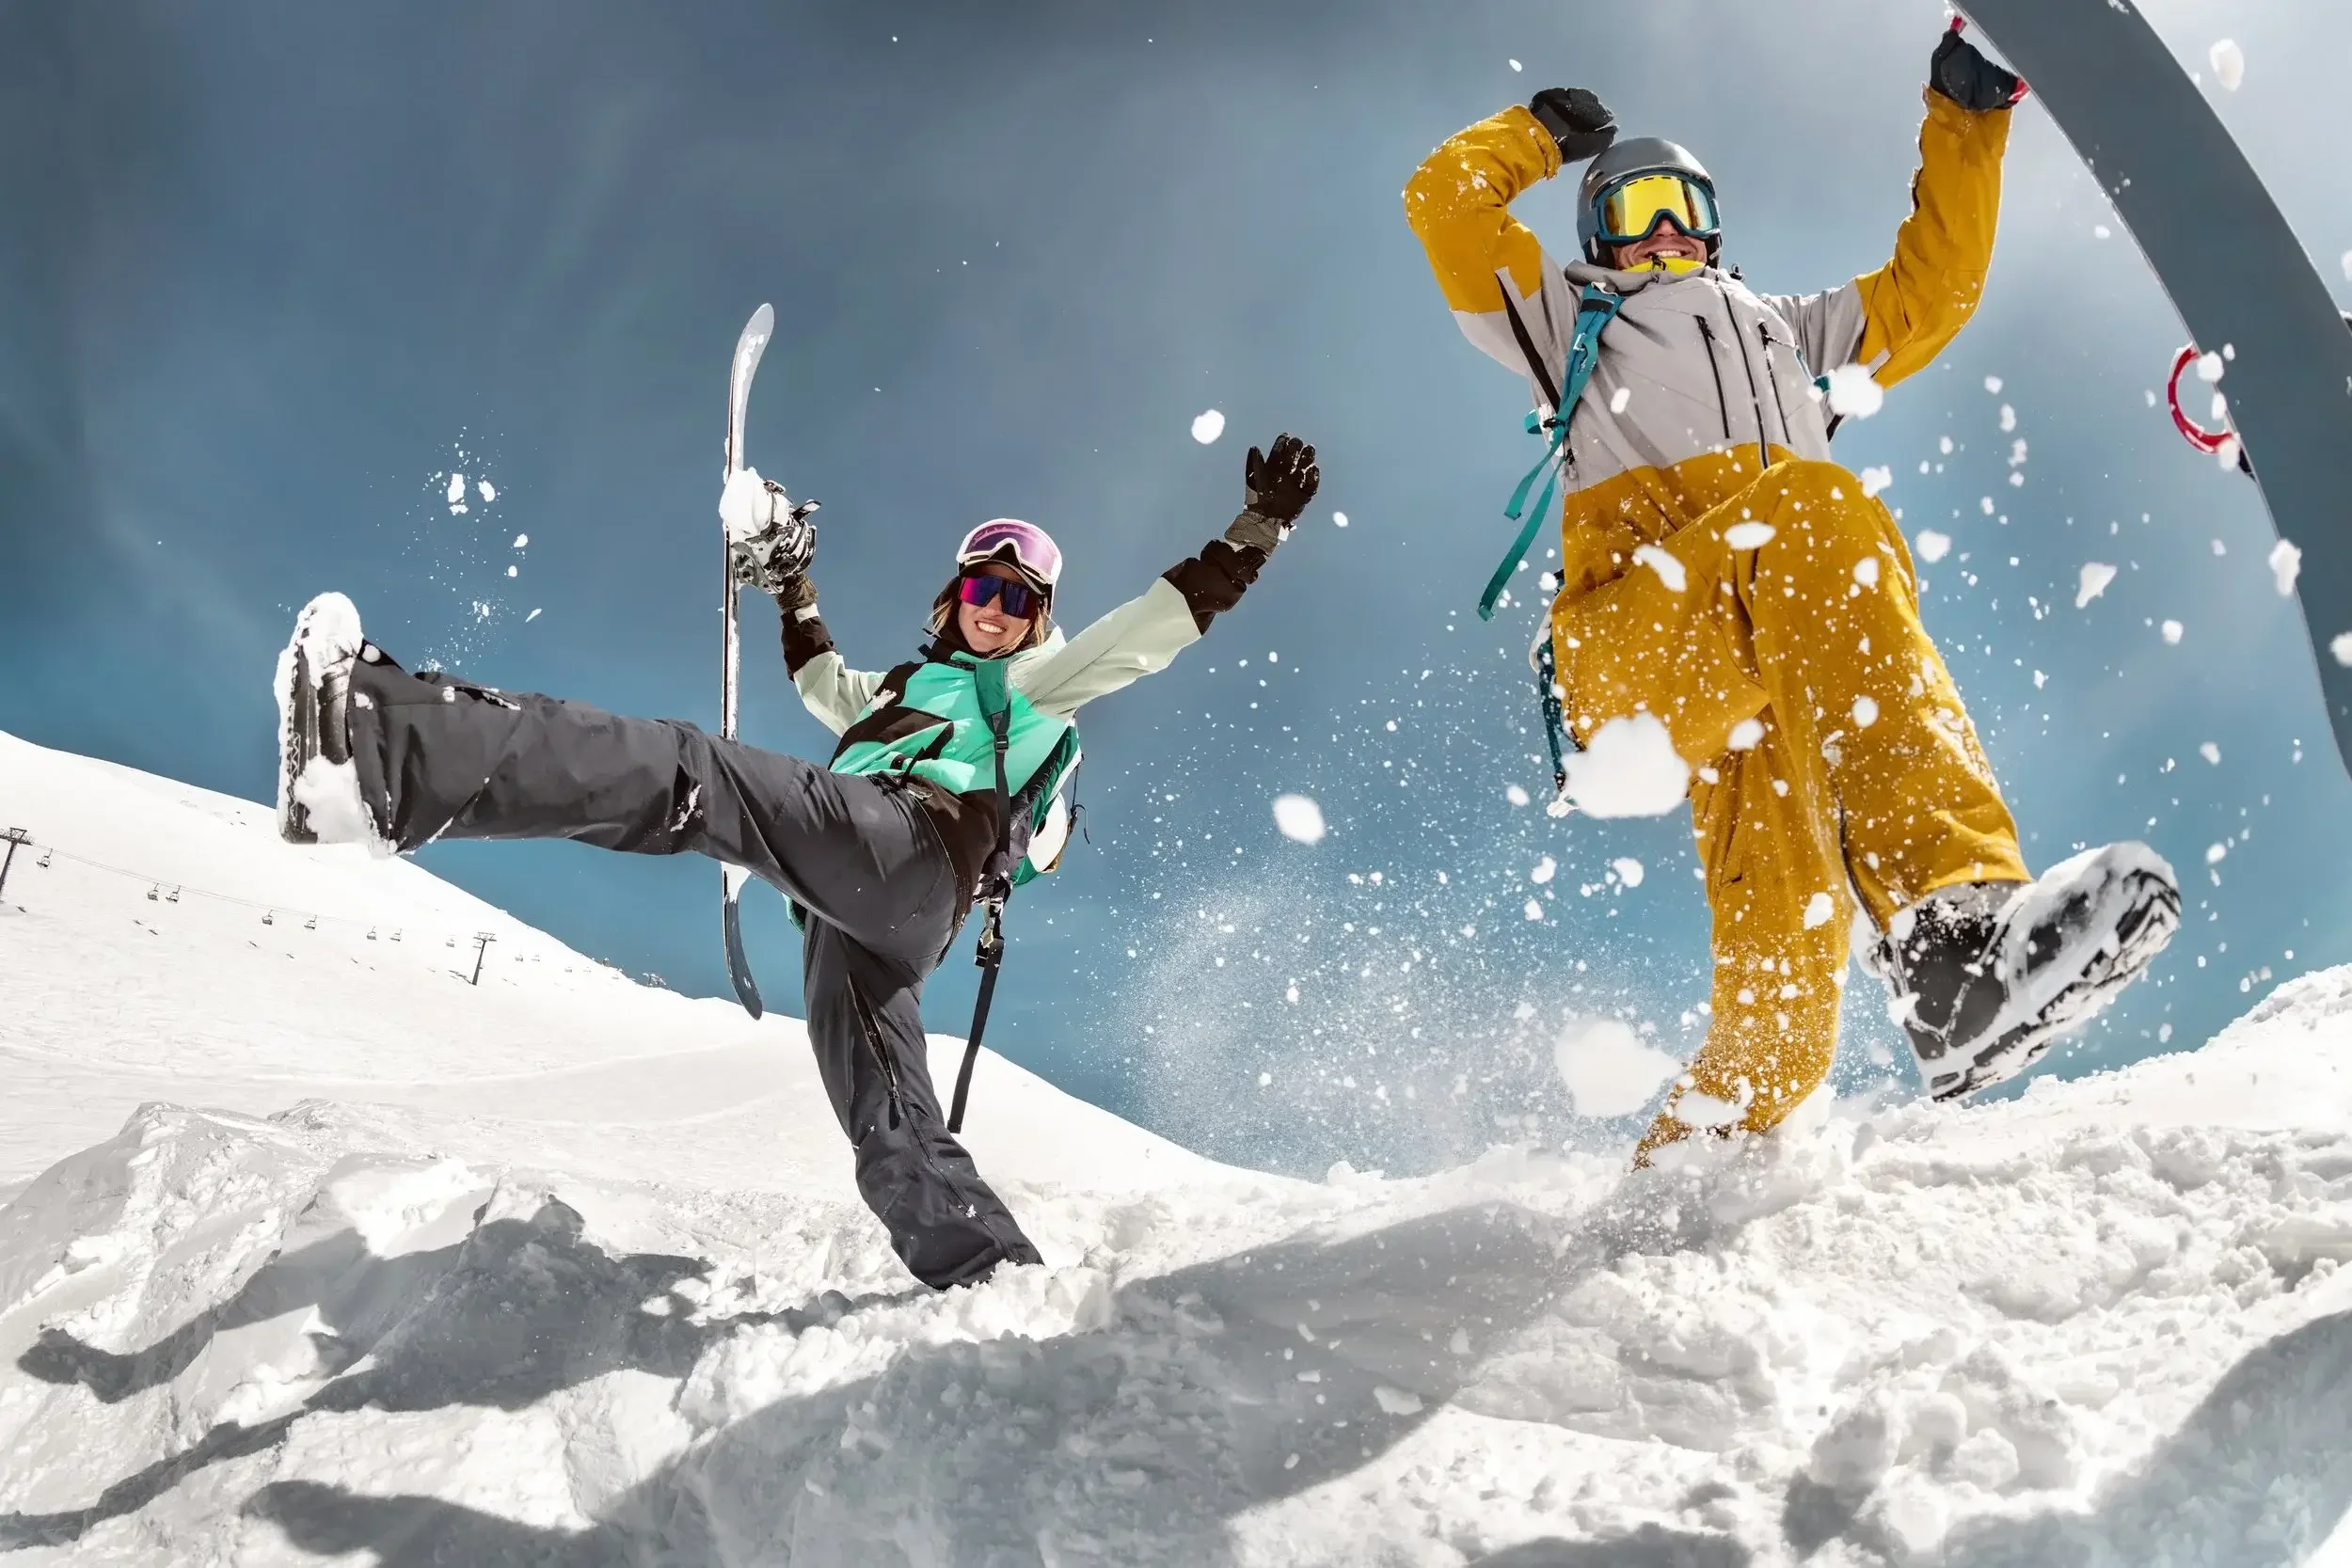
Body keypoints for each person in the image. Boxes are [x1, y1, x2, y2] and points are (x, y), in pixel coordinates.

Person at [275, 433, 1320, 1288]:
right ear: (954, 595)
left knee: (695, 773)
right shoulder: (901, 688)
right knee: (888, 1122)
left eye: (1018, 600)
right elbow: (822, 682)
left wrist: (1253, 534)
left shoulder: (1036, 684)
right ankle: (996, 1287)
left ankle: (380, 752)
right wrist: (792, 586)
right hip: (857, 919)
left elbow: (1148, 630)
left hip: (913, 848)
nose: (995, 610)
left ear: (1039, 619)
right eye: (981, 588)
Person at [1402, 24, 2179, 1161]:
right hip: (1637, 638)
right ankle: (1950, 934)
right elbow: (1445, 205)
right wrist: (1533, 136)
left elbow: (1933, 289)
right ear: (1598, 237)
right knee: (1814, 508)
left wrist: (1967, 116)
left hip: (1765, 666)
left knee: (1786, 997)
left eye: (1682, 207)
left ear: (1715, 225)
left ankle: (1683, 1184)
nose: (1662, 231)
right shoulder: (1571, 324)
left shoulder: (1789, 336)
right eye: (1632, 211)